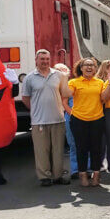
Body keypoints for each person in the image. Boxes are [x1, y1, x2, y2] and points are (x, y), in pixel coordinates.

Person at [21, 50, 71, 186]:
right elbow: (25, 98)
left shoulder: (59, 75)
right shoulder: (29, 78)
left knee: (58, 150)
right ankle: (44, 177)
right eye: (42, 59)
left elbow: (66, 93)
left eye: (47, 59)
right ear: (36, 60)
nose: (45, 61)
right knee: (42, 150)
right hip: (39, 121)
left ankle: (58, 176)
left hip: (58, 119)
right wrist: (36, 109)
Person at [68, 58, 105, 187]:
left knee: (96, 148)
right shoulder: (74, 82)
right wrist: (71, 112)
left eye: (92, 65)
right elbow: (65, 97)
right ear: (81, 68)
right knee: (81, 149)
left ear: (95, 68)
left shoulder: (100, 82)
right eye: (86, 65)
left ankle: (96, 174)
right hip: (79, 120)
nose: (89, 67)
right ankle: (82, 174)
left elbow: (104, 99)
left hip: (97, 119)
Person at [54, 63, 81, 179]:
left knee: (85, 144)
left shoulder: (72, 84)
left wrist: (74, 115)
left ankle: (88, 168)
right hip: (63, 118)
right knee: (73, 144)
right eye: (58, 70)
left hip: (75, 116)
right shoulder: (52, 85)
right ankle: (75, 170)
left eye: (64, 70)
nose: (61, 72)